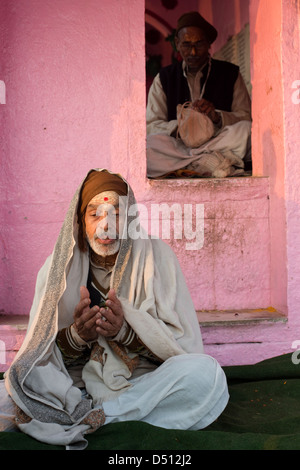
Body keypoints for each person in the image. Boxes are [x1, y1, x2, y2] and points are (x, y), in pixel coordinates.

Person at [4, 169, 229, 449]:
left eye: (116, 214)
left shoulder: (158, 258)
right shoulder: (57, 268)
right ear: (80, 222)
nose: (106, 225)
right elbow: (39, 354)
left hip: (137, 386)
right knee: (8, 394)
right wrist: (76, 336)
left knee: (206, 375)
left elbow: (181, 347)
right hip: (70, 388)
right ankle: (91, 417)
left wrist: (125, 331)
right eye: (95, 214)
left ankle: (98, 419)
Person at [146, 11, 252, 178]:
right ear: (177, 43)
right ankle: (206, 162)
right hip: (178, 146)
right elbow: (151, 125)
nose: (193, 52)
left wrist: (216, 117)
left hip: (216, 142)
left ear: (209, 43)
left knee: (247, 131)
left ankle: (193, 163)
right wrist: (181, 126)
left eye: (199, 44)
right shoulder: (164, 78)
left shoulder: (230, 73)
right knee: (148, 146)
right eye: (187, 45)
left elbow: (245, 116)